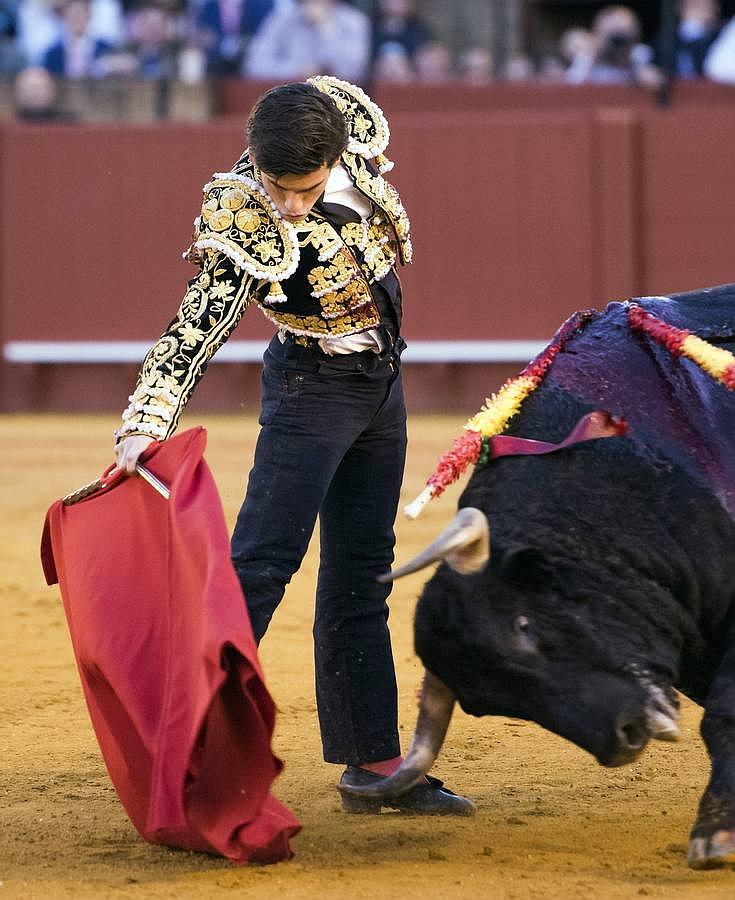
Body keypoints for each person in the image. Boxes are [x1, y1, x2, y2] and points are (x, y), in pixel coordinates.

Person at [113, 76, 474, 816]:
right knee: (259, 568)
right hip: (312, 389)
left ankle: (372, 763)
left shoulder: (347, 137)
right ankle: (188, 762)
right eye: (278, 186)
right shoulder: (243, 211)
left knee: (361, 573)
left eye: (304, 189)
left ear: (337, 158)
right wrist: (147, 419)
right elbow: (197, 322)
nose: (288, 204)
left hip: (379, 385)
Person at [242, 0, 371, 84]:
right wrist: (297, 71)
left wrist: (324, 28)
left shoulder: (355, 22)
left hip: (335, 101)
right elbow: (253, 65)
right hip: (289, 98)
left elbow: (353, 71)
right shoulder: (281, 19)